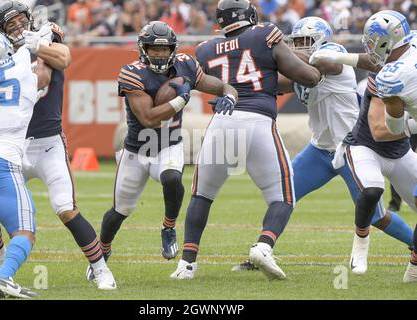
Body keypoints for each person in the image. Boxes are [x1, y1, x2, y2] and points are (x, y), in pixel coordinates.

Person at [232, 16, 415, 272]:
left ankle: (414, 244)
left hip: (351, 148)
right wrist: (234, 89)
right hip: (319, 150)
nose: (298, 47)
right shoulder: (301, 67)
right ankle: (262, 249)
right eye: (294, 42)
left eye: (304, 41)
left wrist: (280, 54)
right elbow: (274, 83)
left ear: (321, 40)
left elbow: (325, 63)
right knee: (283, 196)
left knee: (375, 216)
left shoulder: (332, 55)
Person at [0, 0, 116, 290]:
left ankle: (100, 268)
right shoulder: (5, 55)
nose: (19, 28)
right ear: (2, 32)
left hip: (47, 140)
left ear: (31, 19)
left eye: (22, 21)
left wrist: (36, 45)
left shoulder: (45, 35)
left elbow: (63, 59)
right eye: (11, 26)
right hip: (12, 149)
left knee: (65, 208)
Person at [170, 0, 321, 281]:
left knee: (202, 195)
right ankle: (264, 245)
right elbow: (306, 77)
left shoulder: (205, 49)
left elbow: (244, 78)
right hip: (258, 122)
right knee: (284, 197)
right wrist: (318, 68)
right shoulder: (263, 33)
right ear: (249, 14)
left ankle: (186, 265)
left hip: (222, 122)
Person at [88, 20, 238, 280]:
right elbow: (148, 119)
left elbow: (220, 85)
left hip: (169, 145)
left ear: (172, 49)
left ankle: (168, 227)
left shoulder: (185, 65)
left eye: (165, 49)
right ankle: (102, 251)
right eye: (154, 49)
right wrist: (182, 98)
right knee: (119, 212)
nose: (160, 54)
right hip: (137, 150)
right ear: (143, 49)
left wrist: (230, 95)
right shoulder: (131, 73)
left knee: (172, 178)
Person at [311, 10, 417, 277]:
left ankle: (414, 268)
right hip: (366, 144)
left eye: (373, 40)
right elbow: (383, 131)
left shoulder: (399, 72)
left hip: (401, 149)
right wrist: (337, 57)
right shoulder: (395, 65)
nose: (369, 45)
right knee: (371, 190)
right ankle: (360, 242)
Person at [0, 30, 51, 298]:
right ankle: (4, 277)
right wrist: (41, 40)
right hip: (2, 164)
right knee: (25, 233)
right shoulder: (23, 64)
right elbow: (47, 71)